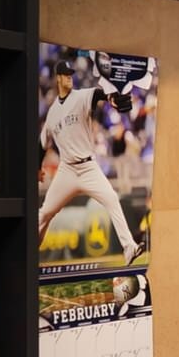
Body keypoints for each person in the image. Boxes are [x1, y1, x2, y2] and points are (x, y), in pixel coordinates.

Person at [38, 52, 145, 264]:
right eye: (65, 75)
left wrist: (112, 99)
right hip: (67, 170)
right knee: (44, 214)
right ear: (58, 78)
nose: (69, 78)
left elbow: (99, 95)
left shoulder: (81, 96)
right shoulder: (52, 113)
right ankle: (30, 254)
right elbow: (42, 144)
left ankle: (129, 248)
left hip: (88, 167)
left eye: (71, 74)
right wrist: (37, 167)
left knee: (112, 199)